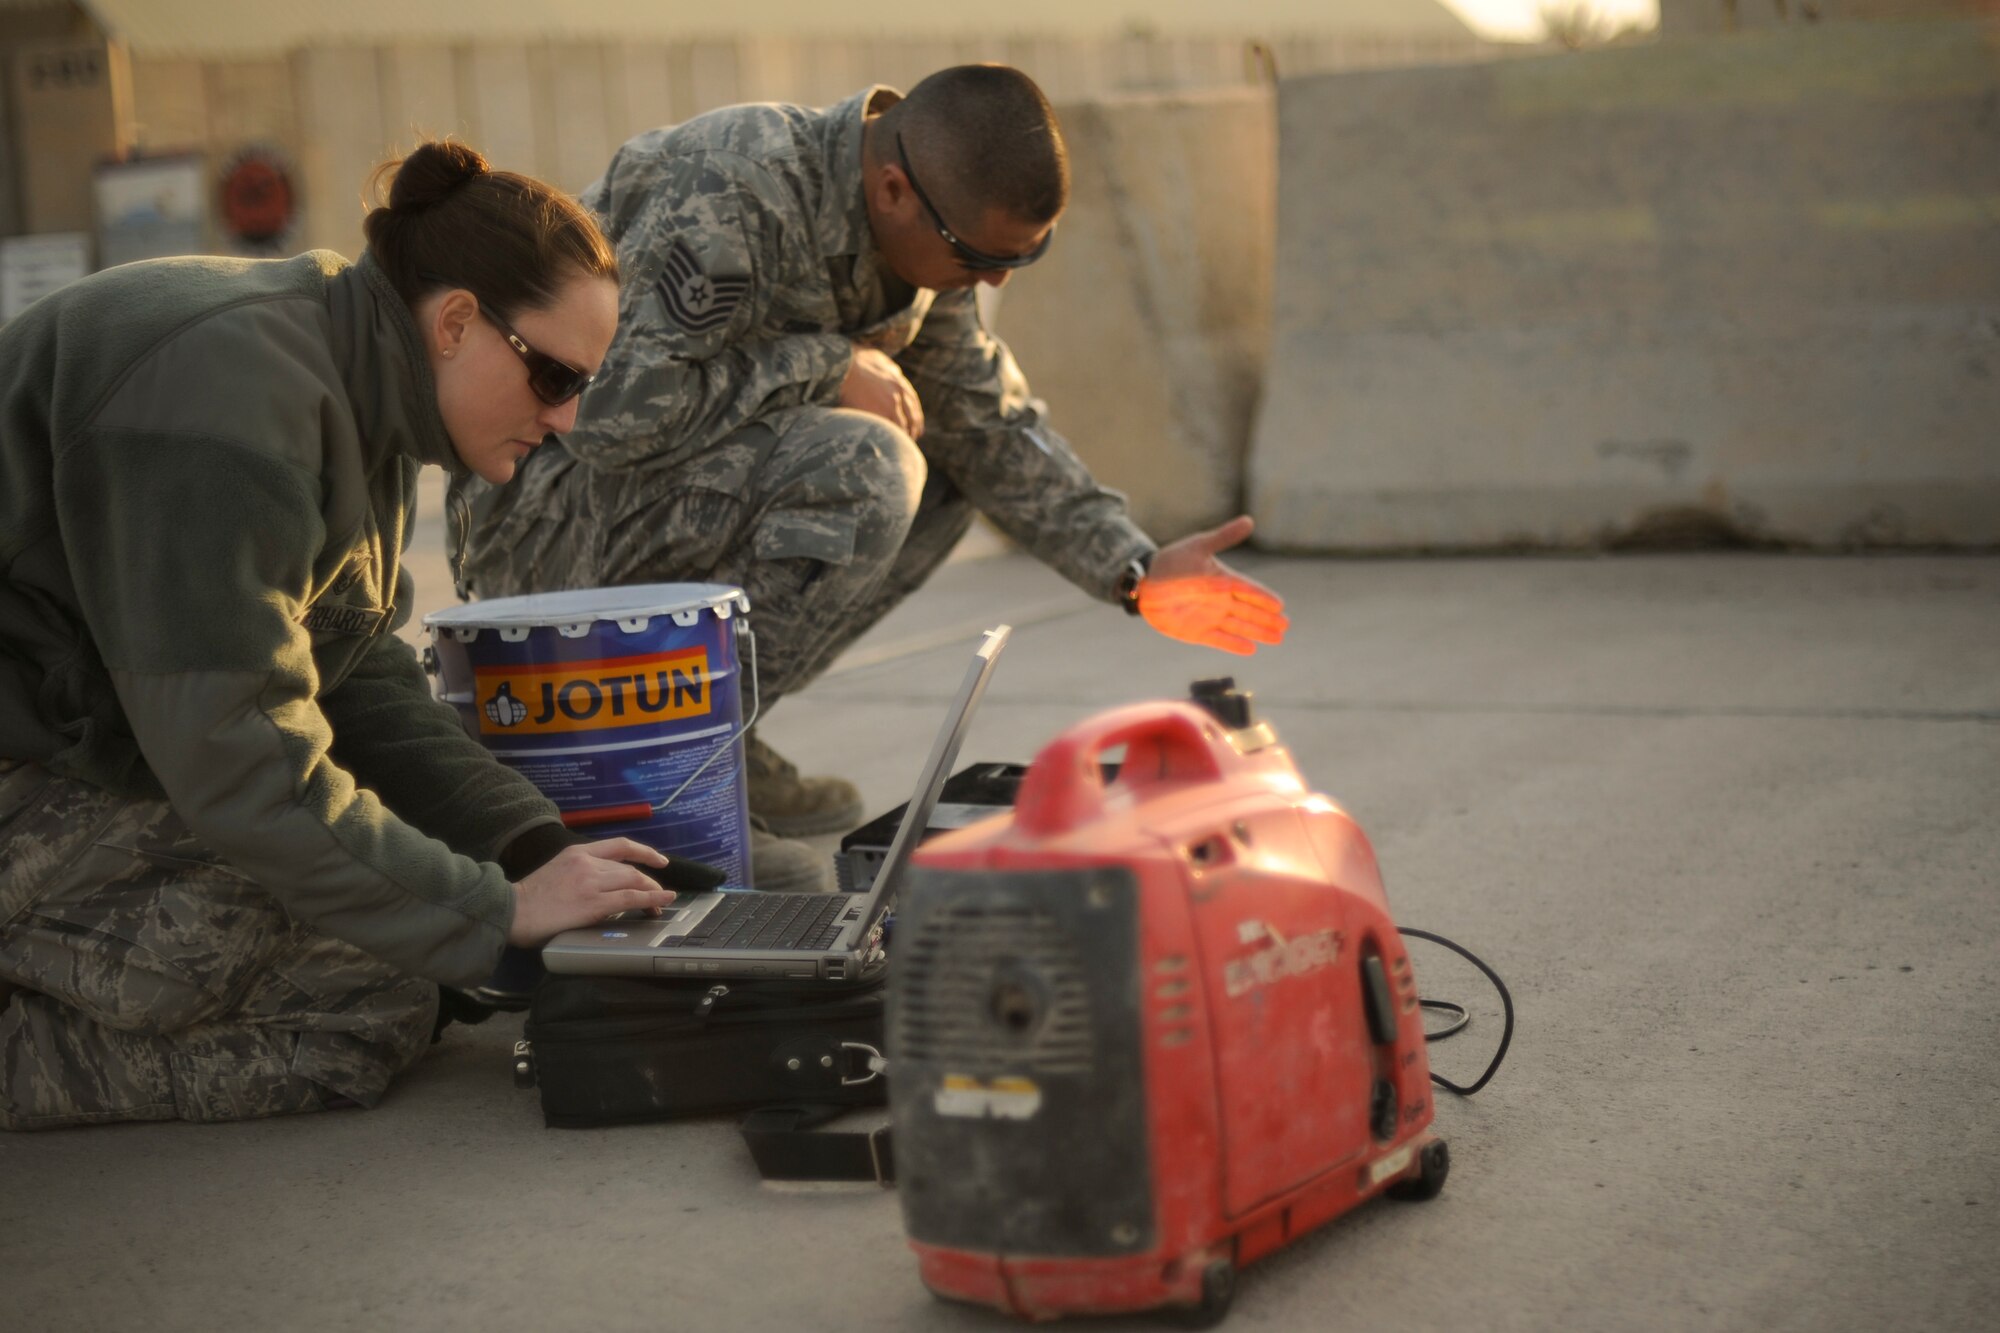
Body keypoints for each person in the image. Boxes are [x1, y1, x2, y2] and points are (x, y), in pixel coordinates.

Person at [458, 64, 1290, 892]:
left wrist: (1135, 571)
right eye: (982, 254)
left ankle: (712, 740)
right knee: (865, 465)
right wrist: (826, 365)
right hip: (541, 522)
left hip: (642, 501)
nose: (996, 278)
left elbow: (985, 422)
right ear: (894, 187)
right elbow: (604, 413)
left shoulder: (927, 243)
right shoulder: (732, 187)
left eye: (1024, 258)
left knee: (943, 470)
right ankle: (661, 783)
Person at [0, 141, 685, 1131]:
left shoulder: (354, 380)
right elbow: (243, 760)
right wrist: (488, 915)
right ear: (455, 322)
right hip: (31, 768)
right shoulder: (226, 403)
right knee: (367, 992)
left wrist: (533, 850)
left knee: (389, 962)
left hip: (80, 753)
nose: (568, 419)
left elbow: (345, 665)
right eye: (552, 377)